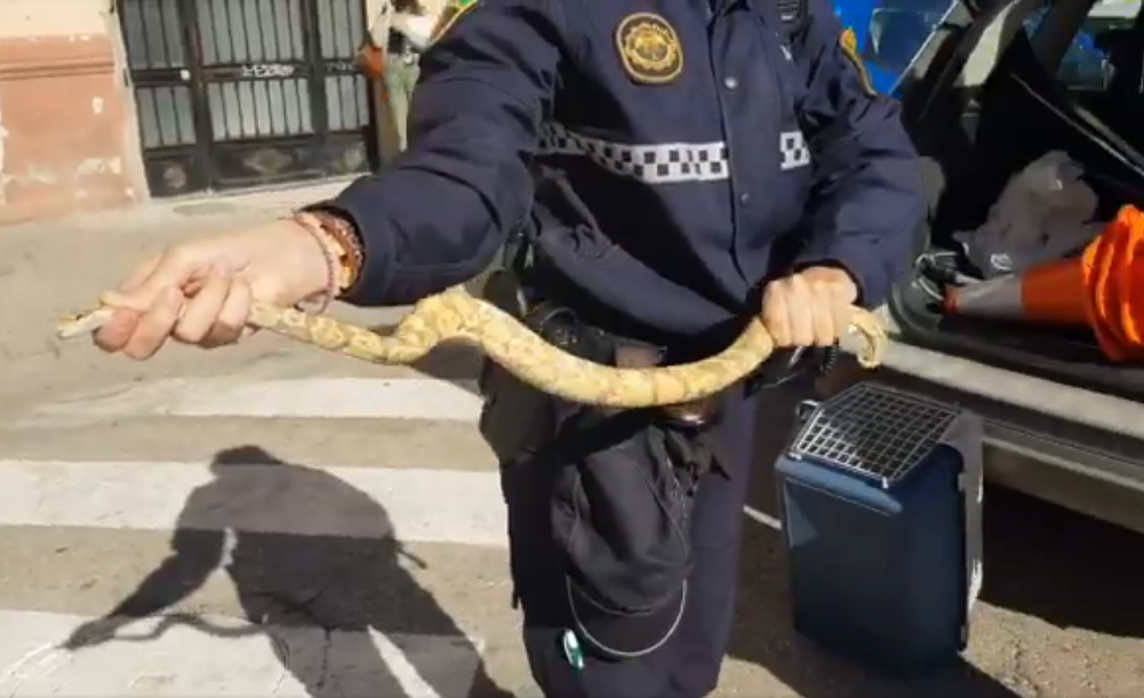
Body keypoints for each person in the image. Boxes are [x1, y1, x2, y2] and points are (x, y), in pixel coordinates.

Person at [90, 0, 924, 692]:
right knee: (606, 663)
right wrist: (325, 246)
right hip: (594, 416)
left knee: (693, 649)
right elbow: (462, 175)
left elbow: (875, 153)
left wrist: (838, 267)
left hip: (727, 393)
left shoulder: (789, 16)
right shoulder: (536, 11)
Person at [367, 0, 439, 150]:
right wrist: (385, 17)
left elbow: (426, 42)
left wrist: (402, 24)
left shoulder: (423, 17)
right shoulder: (390, 15)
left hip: (414, 69)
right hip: (393, 70)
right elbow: (377, 42)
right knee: (399, 123)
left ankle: (420, 156)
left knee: (418, 118)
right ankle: (405, 155)